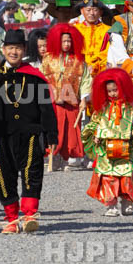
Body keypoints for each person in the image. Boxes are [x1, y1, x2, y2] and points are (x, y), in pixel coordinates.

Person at [0, 29, 58, 234]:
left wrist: (51, 134)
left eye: (18, 48)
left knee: (32, 172)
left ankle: (30, 215)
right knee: (3, 176)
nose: (14, 52)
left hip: (31, 133)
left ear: (24, 50)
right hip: (1, 135)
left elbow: (46, 107)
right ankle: (12, 218)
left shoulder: (35, 77)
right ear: (4, 50)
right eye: (10, 48)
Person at [82, 68, 133, 217]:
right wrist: (95, 135)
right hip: (106, 149)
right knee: (108, 177)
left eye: (115, 90)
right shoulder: (102, 107)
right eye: (109, 91)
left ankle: (127, 202)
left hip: (128, 148)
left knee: (127, 178)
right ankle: (111, 205)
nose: (112, 94)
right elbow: (94, 123)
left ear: (123, 88)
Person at [40, 24, 88, 170]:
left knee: (72, 132)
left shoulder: (79, 59)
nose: (67, 44)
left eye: (69, 41)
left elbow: (86, 79)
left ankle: (71, 158)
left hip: (72, 101)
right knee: (55, 129)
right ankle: (55, 156)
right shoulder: (48, 58)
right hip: (54, 102)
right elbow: (42, 78)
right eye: (63, 41)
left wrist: (84, 98)